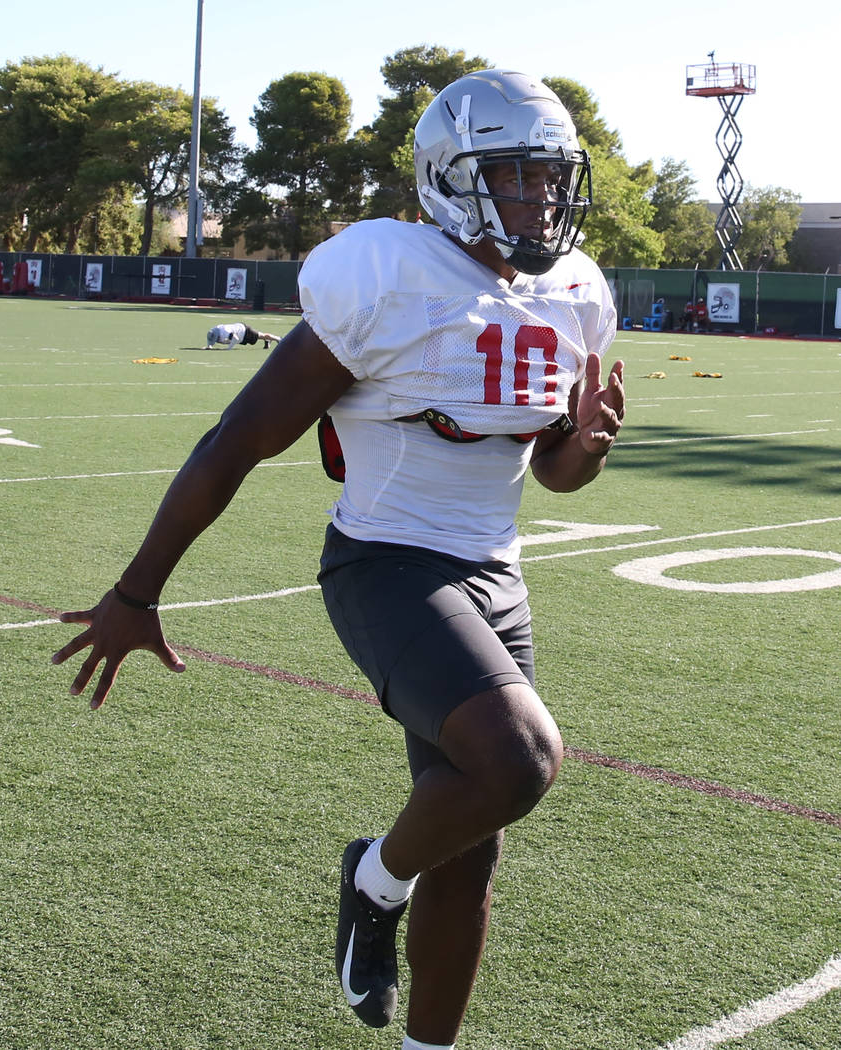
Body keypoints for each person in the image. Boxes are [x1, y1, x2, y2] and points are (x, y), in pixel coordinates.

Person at [52, 69, 624, 1050]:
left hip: (497, 575)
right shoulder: (387, 275)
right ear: (452, 176)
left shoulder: (572, 294)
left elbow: (553, 471)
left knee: (473, 856)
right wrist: (136, 591)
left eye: (549, 176)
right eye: (517, 175)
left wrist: (586, 448)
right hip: (388, 564)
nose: (540, 196)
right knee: (521, 761)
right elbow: (236, 439)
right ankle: (373, 879)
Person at [204, 322, 281, 350]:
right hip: (240, 335)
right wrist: (209, 346)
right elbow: (211, 341)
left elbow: (235, 338)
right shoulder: (214, 331)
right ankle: (267, 340)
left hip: (244, 331)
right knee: (260, 336)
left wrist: (228, 348)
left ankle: (277, 338)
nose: (216, 340)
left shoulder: (225, 332)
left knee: (261, 335)